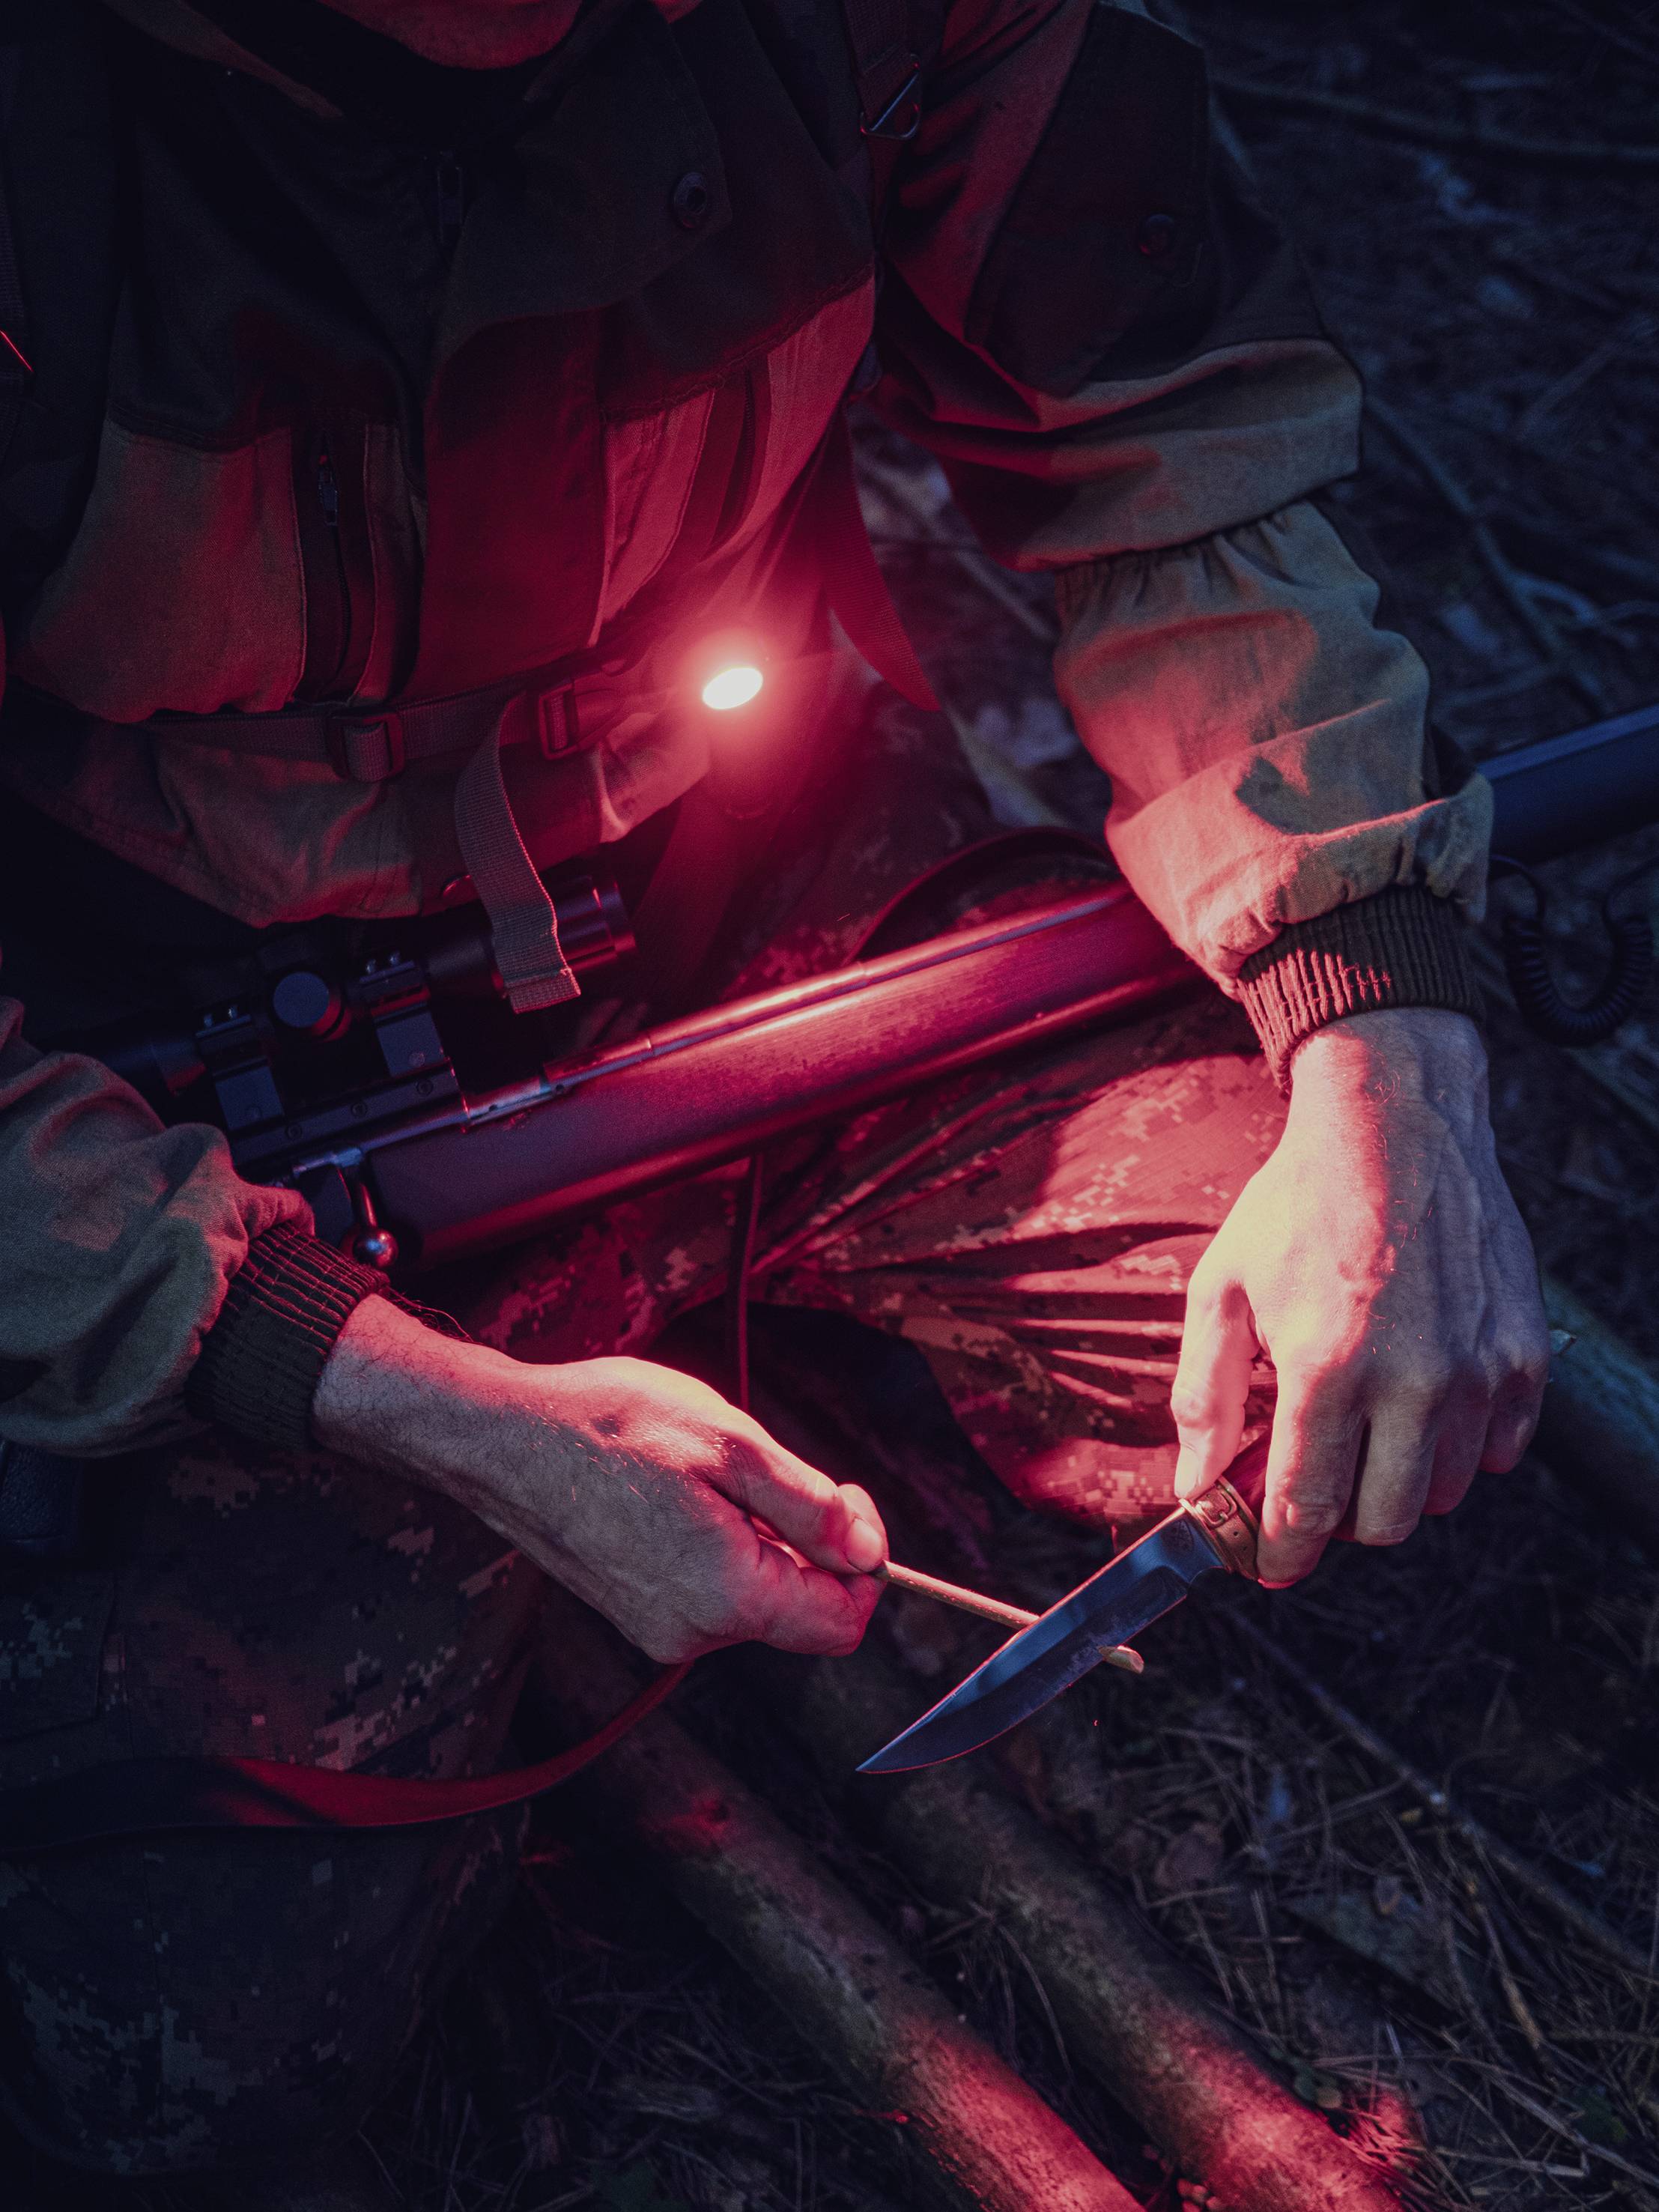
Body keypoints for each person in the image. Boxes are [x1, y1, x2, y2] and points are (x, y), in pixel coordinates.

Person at [0, 0, 1549, 2192]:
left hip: (757, 914)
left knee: (1356, 1363)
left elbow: (1169, 423)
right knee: (164, 2066)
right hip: (181, 1105)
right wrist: (380, 1392)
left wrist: (1378, 1028)